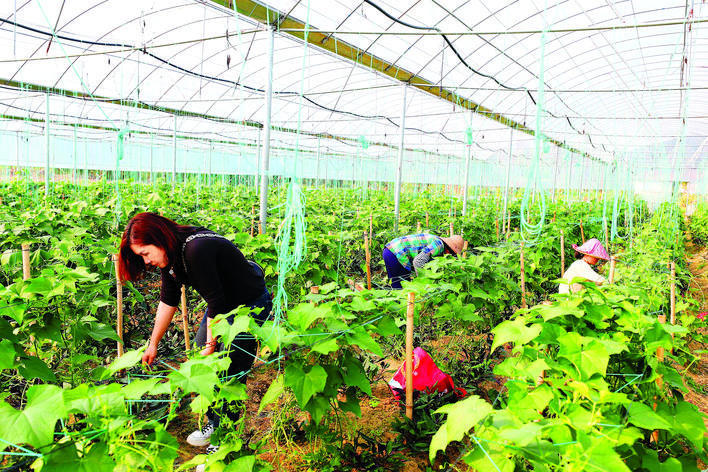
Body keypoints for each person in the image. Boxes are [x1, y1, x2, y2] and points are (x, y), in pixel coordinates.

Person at [118, 212, 272, 458]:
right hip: (222, 304)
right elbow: (168, 300)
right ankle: (214, 424)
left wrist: (210, 347)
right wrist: (152, 343)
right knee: (205, 365)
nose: (145, 261)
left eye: (145, 253)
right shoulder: (172, 256)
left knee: (230, 370)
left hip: (249, 304)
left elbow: (215, 301)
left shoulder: (195, 249)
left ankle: (226, 440)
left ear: (158, 239)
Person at [383, 233, 465, 289]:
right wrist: (424, 282)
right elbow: (418, 261)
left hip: (390, 250)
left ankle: (397, 309)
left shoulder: (436, 240)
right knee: (401, 285)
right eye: (452, 253)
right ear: (449, 249)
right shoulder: (439, 245)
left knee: (397, 283)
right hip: (396, 253)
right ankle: (400, 310)